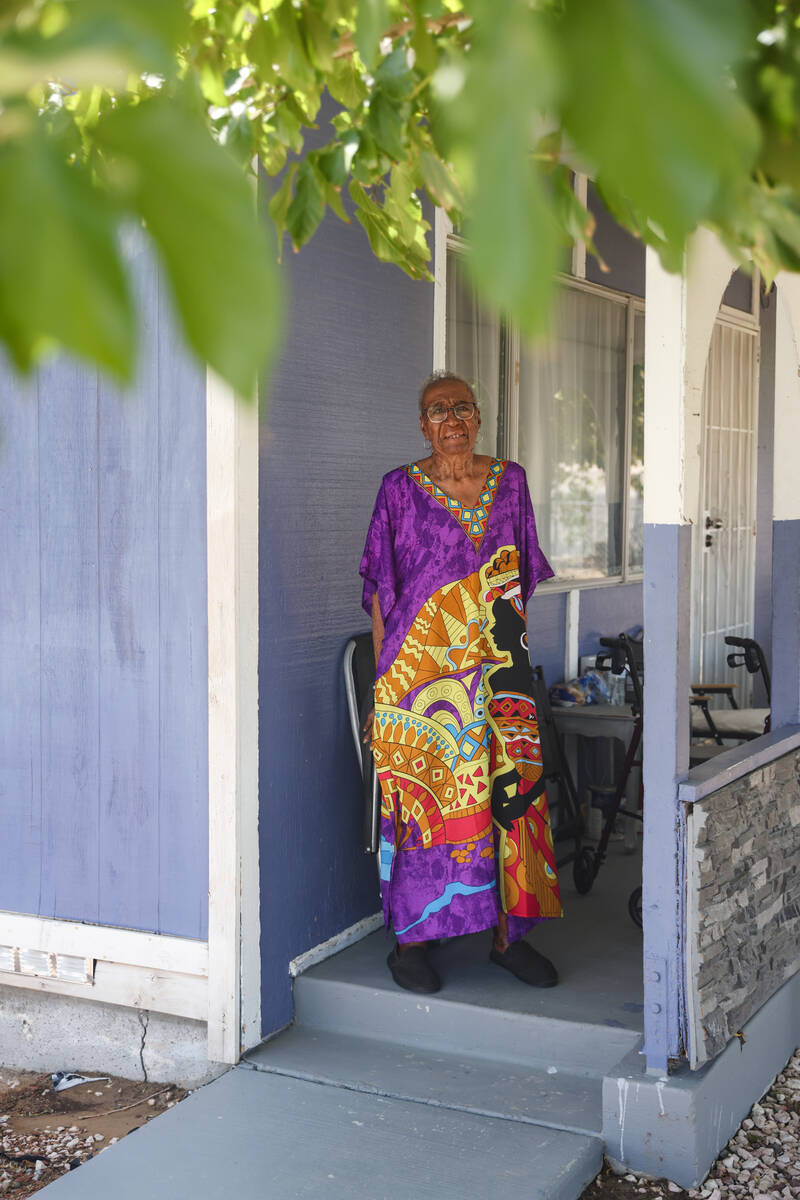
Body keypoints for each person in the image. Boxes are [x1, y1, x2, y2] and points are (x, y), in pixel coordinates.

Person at [359, 370, 562, 995]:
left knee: (511, 794)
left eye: (462, 407)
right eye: (437, 410)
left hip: (500, 671)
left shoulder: (512, 482)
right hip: (420, 680)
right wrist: (383, 692)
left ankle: (509, 938)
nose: (451, 419)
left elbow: (520, 577)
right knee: (427, 808)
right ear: (422, 424)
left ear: (478, 418)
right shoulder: (397, 489)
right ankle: (412, 943)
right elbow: (380, 595)